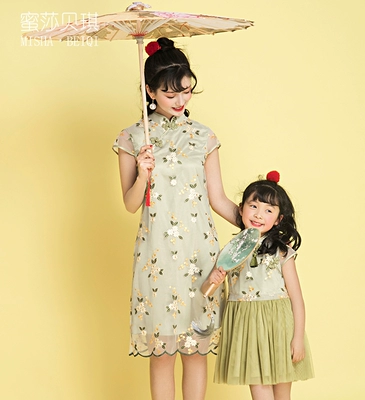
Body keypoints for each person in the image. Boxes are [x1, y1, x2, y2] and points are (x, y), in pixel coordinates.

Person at [112, 37, 237, 400]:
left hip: (200, 256)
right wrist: (142, 174)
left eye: (186, 90)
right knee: (163, 353)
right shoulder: (132, 138)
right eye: (170, 94)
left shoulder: (204, 137)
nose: (181, 100)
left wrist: (255, 229)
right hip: (157, 257)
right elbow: (130, 204)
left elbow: (218, 199)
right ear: (150, 92)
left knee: (196, 351)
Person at [205, 171, 314, 400]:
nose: (258, 214)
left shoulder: (281, 251)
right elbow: (211, 287)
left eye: (268, 210)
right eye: (253, 206)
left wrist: (297, 338)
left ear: (278, 219)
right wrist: (213, 278)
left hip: (279, 327)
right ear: (241, 209)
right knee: (259, 389)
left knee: (282, 392)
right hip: (248, 327)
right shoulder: (232, 251)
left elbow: (296, 298)